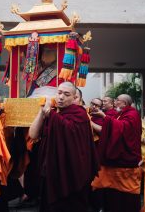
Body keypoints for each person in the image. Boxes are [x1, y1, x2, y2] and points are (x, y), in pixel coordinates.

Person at [29, 82, 99, 212]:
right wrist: (41, 111)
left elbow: (70, 131)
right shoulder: (53, 113)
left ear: (74, 98)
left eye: (66, 94)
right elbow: (33, 134)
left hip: (70, 173)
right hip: (50, 170)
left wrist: (51, 114)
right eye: (59, 93)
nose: (61, 97)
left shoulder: (79, 113)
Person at [91, 94, 142, 212]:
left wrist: (104, 117)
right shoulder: (120, 114)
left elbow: (124, 128)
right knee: (113, 195)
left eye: (117, 100)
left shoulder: (132, 114)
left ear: (124, 103)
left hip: (126, 161)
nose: (115, 102)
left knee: (126, 197)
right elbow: (114, 127)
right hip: (116, 160)